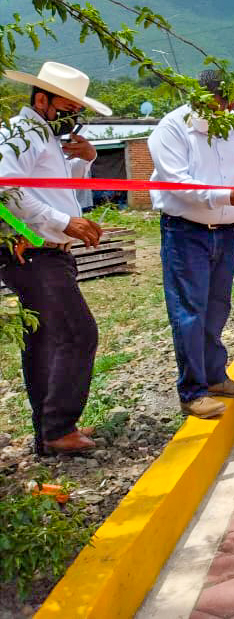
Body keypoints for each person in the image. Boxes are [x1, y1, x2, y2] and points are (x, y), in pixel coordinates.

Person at [0, 62, 110, 454]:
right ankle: (58, 427)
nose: (70, 119)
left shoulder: (43, 135)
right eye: (65, 109)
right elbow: (7, 188)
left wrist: (86, 158)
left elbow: (52, 186)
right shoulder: (23, 133)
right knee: (78, 332)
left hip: (49, 253)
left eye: (74, 112)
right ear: (41, 99)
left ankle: (49, 430)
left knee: (45, 340)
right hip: (34, 252)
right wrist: (63, 222)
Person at [149, 70, 234, 419]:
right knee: (189, 312)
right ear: (200, 98)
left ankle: (215, 377)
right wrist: (227, 194)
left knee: (217, 308)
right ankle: (192, 390)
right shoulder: (171, 129)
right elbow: (178, 184)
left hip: (226, 233)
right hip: (187, 232)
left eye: (231, 102)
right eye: (221, 101)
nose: (228, 108)